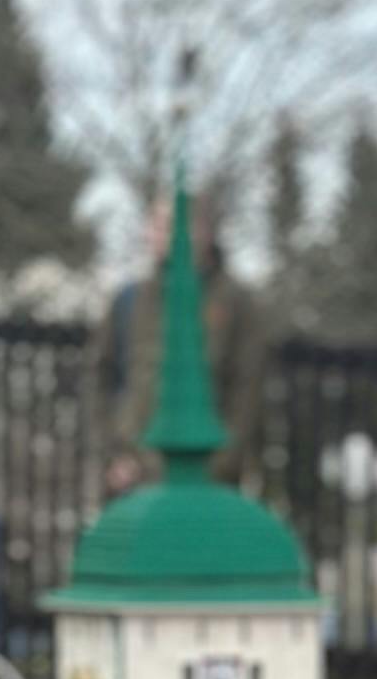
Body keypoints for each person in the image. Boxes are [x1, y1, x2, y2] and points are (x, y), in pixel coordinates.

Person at [104, 192, 265, 483]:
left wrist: (222, 462)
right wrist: (114, 453)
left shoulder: (235, 302)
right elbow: (101, 377)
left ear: (204, 230)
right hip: (135, 472)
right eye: (155, 225)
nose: (159, 235)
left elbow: (247, 387)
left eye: (170, 225)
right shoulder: (130, 299)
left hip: (205, 472)